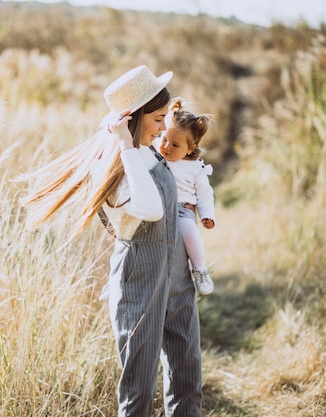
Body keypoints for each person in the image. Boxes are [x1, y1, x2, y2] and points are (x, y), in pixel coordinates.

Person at [20, 65, 202, 416]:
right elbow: (149, 210)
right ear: (132, 119)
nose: (165, 128)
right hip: (141, 278)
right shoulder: (116, 165)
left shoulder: (149, 151)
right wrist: (124, 144)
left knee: (187, 374)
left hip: (176, 273)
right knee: (139, 386)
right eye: (158, 119)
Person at [154, 98, 216, 295]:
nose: (167, 147)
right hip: (158, 206)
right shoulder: (155, 152)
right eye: (164, 140)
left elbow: (205, 194)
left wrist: (207, 215)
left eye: (175, 145)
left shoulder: (196, 169)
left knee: (189, 232)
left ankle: (200, 269)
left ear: (190, 148)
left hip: (182, 210)